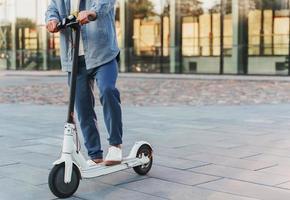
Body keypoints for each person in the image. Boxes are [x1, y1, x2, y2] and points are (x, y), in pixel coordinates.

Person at [45, 0, 123, 166]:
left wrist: (92, 12)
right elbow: (52, 8)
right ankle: (95, 154)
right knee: (82, 106)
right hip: (74, 59)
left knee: (108, 90)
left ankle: (115, 145)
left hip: (102, 54)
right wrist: (51, 20)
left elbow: (106, 2)